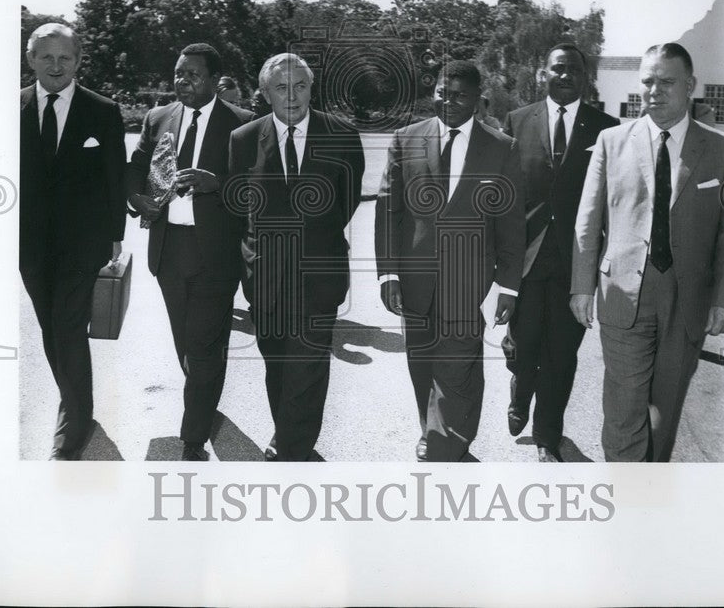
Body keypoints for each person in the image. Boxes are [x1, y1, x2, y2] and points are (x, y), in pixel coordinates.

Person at [571, 42, 724, 462]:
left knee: (664, 413)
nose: (654, 91)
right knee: (623, 411)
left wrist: (722, 300)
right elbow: (588, 220)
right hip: (622, 294)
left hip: (687, 300)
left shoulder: (720, 150)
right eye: (648, 82)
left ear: (690, 86)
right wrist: (581, 287)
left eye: (666, 82)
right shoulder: (611, 141)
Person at [375, 61, 525, 462]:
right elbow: (389, 212)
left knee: (457, 367)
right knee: (420, 365)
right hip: (414, 280)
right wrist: (388, 273)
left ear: (478, 100)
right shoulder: (406, 140)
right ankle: (433, 428)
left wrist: (509, 286)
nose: (449, 101)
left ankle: (447, 441)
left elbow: (510, 224)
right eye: (443, 92)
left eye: (460, 95)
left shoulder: (501, 148)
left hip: (470, 281)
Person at [227, 53, 365, 461]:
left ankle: (294, 450)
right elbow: (240, 208)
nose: (292, 96)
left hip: (319, 274)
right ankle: (286, 432)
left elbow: (348, 200)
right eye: (281, 88)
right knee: (278, 364)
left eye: (300, 85)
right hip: (265, 276)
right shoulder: (244, 139)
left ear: (311, 88)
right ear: (266, 92)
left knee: (308, 366)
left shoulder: (341, 134)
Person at [126, 44, 253, 461]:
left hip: (215, 255)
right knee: (190, 346)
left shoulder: (244, 125)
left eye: (193, 74)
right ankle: (205, 396)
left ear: (216, 79)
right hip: (169, 251)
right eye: (178, 73)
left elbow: (256, 189)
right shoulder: (158, 117)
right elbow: (137, 166)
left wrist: (218, 183)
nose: (182, 81)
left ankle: (193, 437)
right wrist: (135, 197)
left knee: (202, 346)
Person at [501, 44, 619, 462]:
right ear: (543, 73)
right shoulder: (516, 121)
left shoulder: (607, 129)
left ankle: (547, 434)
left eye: (574, 70)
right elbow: (504, 196)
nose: (565, 75)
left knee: (561, 356)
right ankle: (520, 389)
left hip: (577, 264)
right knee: (526, 345)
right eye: (558, 68)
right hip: (527, 261)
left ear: (585, 78)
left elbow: (611, 201)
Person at [19, 23, 126, 460]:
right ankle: (74, 400)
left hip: (83, 245)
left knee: (67, 326)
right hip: (28, 246)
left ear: (79, 61)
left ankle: (74, 422)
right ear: (31, 60)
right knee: (51, 328)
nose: (56, 66)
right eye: (47, 57)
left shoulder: (103, 111)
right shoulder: (12, 107)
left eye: (65, 58)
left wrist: (115, 237)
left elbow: (114, 178)